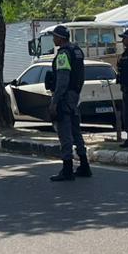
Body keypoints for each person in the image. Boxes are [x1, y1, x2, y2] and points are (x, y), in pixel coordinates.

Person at [45, 25, 91, 181]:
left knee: (65, 134)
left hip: (64, 97)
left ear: (60, 38)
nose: (53, 39)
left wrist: (55, 101)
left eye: (55, 36)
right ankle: (84, 165)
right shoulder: (77, 51)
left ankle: (67, 169)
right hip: (74, 95)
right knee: (76, 131)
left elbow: (63, 80)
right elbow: (81, 76)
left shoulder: (64, 54)